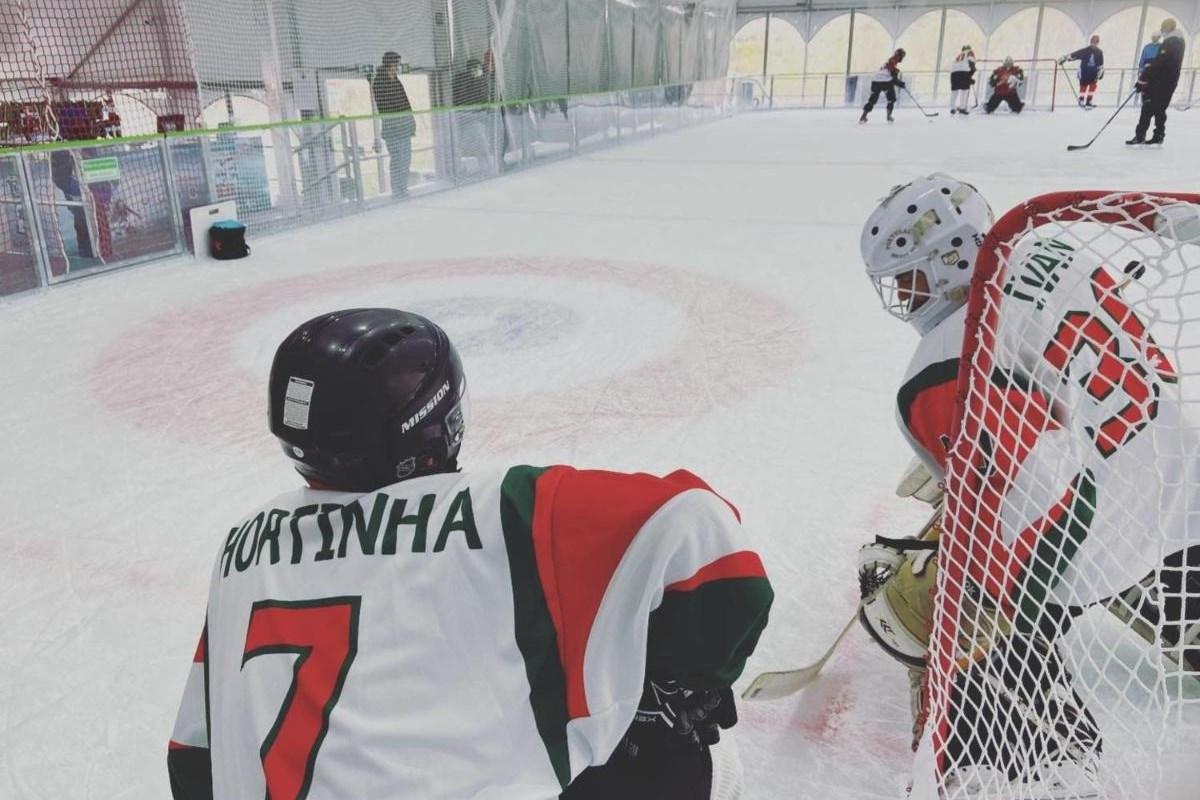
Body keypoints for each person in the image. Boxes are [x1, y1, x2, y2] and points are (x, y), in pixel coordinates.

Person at [166, 308, 773, 800]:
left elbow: (195, 757)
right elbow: (704, 536)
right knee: (680, 755)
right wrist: (679, 684)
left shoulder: (243, 543)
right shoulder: (504, 506)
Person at [856, 174, 1200, 796]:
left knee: (919, 610)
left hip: (1093, 529)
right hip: (1178, 481)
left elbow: (1040, 486)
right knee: (1140, 535)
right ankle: (1179, 618)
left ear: (949, 261)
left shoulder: (940, 359)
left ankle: (1038, 757)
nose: (902, 295)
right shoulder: (1048, 249)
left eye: (907, 276)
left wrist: (978, 572)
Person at [1127, 18, 1186, 145]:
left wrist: (1143, 79)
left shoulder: (1170, 43)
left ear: (1169, 28)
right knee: (1159, 109)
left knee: (1148, 107)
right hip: (1169, 81)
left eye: (1163, 27)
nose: (1161, 30)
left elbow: (1159, 63)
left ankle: (1141, 135)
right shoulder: (1178, 42)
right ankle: (1158, 135)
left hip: (1160, 82)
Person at [372, 51, 416, 198]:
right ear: (390, 64)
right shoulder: (380, 81)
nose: (398, 67)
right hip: (393, 126)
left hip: (403, 126)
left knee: (406, 158)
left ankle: (403, 187)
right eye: (396, 63)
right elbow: (387, 104)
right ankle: (397, 190)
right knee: (398, 158)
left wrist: (410, 122)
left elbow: (405, 102)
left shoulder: (396, 79)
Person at [452, 57, 497, 177]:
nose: (478, 71)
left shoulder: (483, 81)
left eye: (479, 68)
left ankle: (486, 167)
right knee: (481, 142)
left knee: (482, 143)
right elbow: (463, 101)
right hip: (469, 118)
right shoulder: (462, 83)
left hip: (481, 117)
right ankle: (488, 166)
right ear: (469, 70)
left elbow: (487, 98)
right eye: (475, 69)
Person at [860, 48, 906, 124]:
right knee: (891, 99)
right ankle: (889, 117)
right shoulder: (893, 61)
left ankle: (863, 117)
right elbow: (892, 76)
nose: (902, 58)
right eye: (902, 56)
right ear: (899, 56)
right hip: (885, 82)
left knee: (872, 100)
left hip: (875, 81)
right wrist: (900, 83)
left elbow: (891, 74)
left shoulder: (890, 61)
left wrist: (898, 81)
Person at [1060, 35, 1104, 108]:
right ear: (1091, 42)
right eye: (1093, 42)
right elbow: (1075, 55)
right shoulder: (1085, 50)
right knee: (1083, 87)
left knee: (1092, 87)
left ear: (1098, 43)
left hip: (1093, 73)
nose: (1094, 44)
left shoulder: (1099, 52)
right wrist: (1065, 58)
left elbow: (1100, 64)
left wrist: (1100, 72)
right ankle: (1081, 101)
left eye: (1096, 42)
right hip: (1084, 72)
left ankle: (1088, 101)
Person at [948, 45, 977, 115]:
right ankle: (962, 108)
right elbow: (971, 64)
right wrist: (970, 76)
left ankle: (952, 108)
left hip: (954, 73)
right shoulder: (970, 52)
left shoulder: (959, 55)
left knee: (954, 91)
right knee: (965, 91)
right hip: (963, 72)